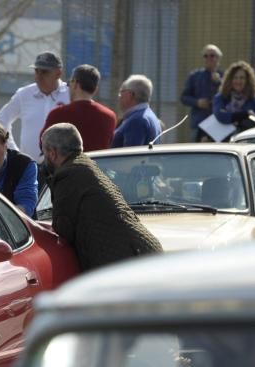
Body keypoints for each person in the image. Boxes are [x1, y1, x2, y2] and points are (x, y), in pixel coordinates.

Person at [41, 122, 161, 273]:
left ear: (52, 153)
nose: (44, 159)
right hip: (139, 252)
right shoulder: (85, 166)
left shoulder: (68, 175)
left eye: (44, 153)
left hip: (125, 262)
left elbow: (63, 230)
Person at [0, 51, 70, 162]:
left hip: (64, 167)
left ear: (58, 73)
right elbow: (0, 121)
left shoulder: (70, 94)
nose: (39, 77)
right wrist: (14, 152)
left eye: (44, 72)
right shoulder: (24, 94)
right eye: (36, 71)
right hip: (31, 167)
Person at [41, 64, 116, 152]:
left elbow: (42, 144)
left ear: (75, 83)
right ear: (96, 89)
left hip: (67, 165)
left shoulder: (58, 114)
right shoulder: (109, 116)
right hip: (98, 165)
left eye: (69, 83)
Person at [181, 44, 224, 141]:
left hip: (219, 123)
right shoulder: (195, 76)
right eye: (205, 56)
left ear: (218, 58)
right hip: (199, 122)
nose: (209, 58)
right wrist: (197, 102)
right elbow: (184, 97)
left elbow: (229, 95)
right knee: (196, 152)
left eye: (212, 55)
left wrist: (219, 82)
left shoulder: (224, 76)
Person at [212, 61, 255, 135]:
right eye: (235, 77)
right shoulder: (221, 97)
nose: (238, 81)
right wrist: (245, 114)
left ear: (248, 80)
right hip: (224, 141)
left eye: (242, 78)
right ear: (230, 80)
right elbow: (220, 115)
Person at [112, 75, 163, 147]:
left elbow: (130, 156)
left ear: (130, 94)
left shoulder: (136, 120)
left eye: (122, 92)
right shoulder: (149, 116)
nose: (119, 96)